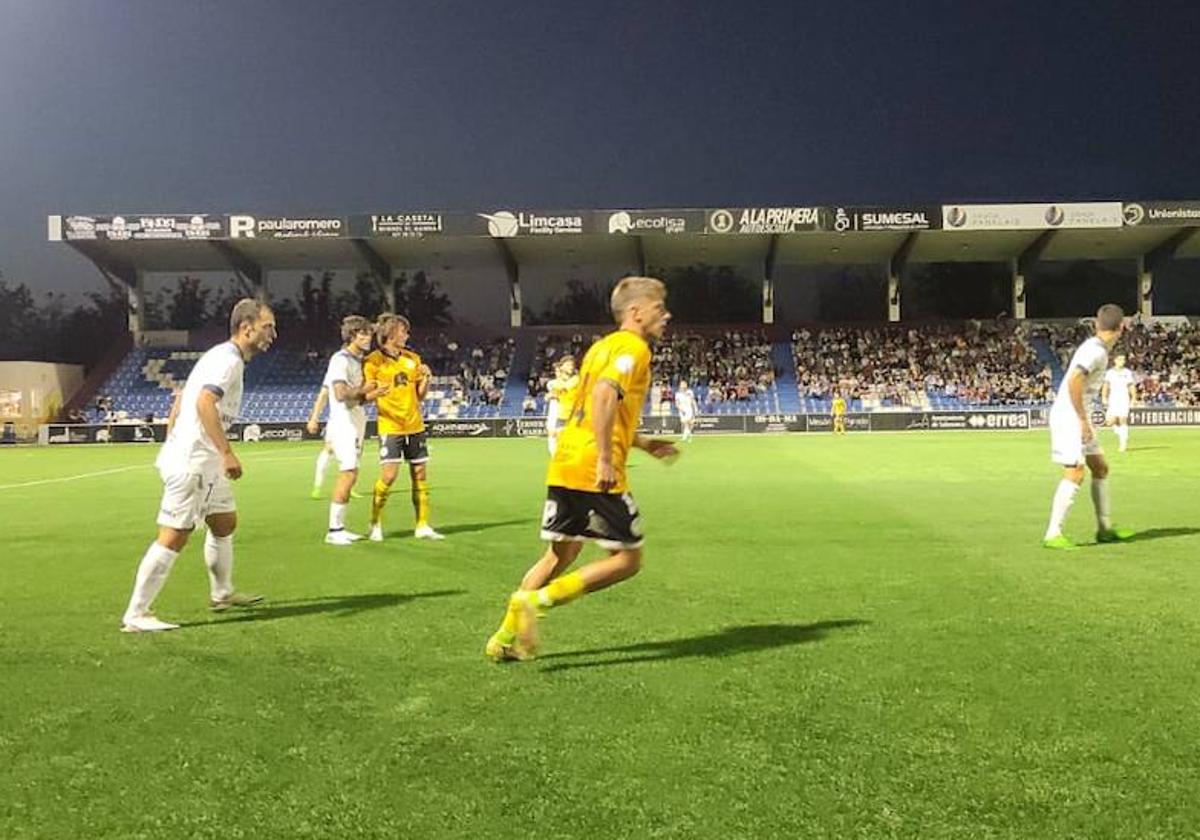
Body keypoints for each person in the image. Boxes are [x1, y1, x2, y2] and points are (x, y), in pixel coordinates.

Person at [486, 276, 679, 662]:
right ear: (636, 312)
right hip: (594, 465)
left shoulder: (600, 349)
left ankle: (503, 639)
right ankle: (537, 601)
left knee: (559, 555)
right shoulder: (633, 348)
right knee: (627, 560)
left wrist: (642, 443)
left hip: (565, 462)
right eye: (659, 308)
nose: (666, 315)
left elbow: (590, 406)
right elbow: (606, 395)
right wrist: (608, 458)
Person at [119, 299, 276, 633]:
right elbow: (205, 401)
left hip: (199, 458)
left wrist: (174, 435)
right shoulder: (228, 360)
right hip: (197, 460)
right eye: (267, 327)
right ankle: (136, 613)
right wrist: (226, 452)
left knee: (224, 523)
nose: (272, 334)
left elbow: (182, 397)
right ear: (246, 327)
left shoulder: (220, 355)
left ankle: (222, 594)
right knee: (175, 534)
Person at [1042, 304, 1136, 549]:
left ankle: (1104, 529)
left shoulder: (1097, 349)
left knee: (1100, 467)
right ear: (1121, 328)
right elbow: (1074, 381)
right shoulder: (1095, 352)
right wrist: (1083, 420)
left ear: (1097, 324)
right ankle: (1053, 533)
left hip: (1078, 414)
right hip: (1070, 416)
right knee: (1075, 472)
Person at [365, 314, 442, 541]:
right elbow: (366, 392)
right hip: (390, 426)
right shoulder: (373, 361)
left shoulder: (412, 359)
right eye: (403, 331)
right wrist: (374, 394)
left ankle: (422, 524)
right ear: (390, 334)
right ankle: (375, 523)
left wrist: (427, 379)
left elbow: (420, 396)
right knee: (389, 475)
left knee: (419, 473)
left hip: (414, 424)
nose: (407, 335)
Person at [323, 315, 388, 546]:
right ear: (352, 336)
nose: (368, 337)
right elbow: (341, 394)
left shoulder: (356, 361)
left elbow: (357, 399)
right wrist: (364, 389)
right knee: (348, 472)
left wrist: (372, 394)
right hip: (344, 424)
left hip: (355, 420)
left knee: (352, 472)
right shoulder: (340, 360)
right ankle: (334, 529)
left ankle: (340, 527)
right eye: (363, 333)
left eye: (369, 333)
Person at [1101, 354, 1136, 452]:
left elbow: (1131, 385)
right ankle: (1120, 432)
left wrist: (1133, 398)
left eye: (1123, 359)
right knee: (1110, 421)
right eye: (1120, 359)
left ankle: (1123, 443)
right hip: (1113, 399)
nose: (1122, 361)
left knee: (1122, 420)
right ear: (1115, 360)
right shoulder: (1110, 373)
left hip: (1124, 398)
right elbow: (1106, 386)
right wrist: (1104, 397)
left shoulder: (1127, 373)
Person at [545, 356, 579, 455]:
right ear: (562, 367)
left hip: (575, 414)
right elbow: (548, 396)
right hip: (563, 414)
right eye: (568, 365)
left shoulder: (576, 379)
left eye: (572, 365)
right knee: (557, 438)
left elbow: (565, 387)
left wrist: (555, 386)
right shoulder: (557, 382)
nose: (571, 367)